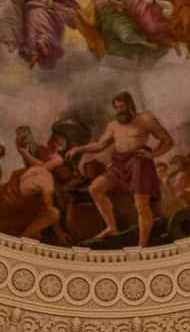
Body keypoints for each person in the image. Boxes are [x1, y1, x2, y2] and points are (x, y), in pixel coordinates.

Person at [72, 93, 174, 246]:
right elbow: (100, 145)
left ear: (130, 105)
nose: (120, 110)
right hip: (119, 163)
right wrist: (79, 149)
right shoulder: (113, 125)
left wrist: (152, 154)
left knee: (141, 205)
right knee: (95, 189)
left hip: (139, 162)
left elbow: (167, 141)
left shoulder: (145, 119)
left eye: (122, 106)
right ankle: (112, 227)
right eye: (117, 107)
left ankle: (142, 245)